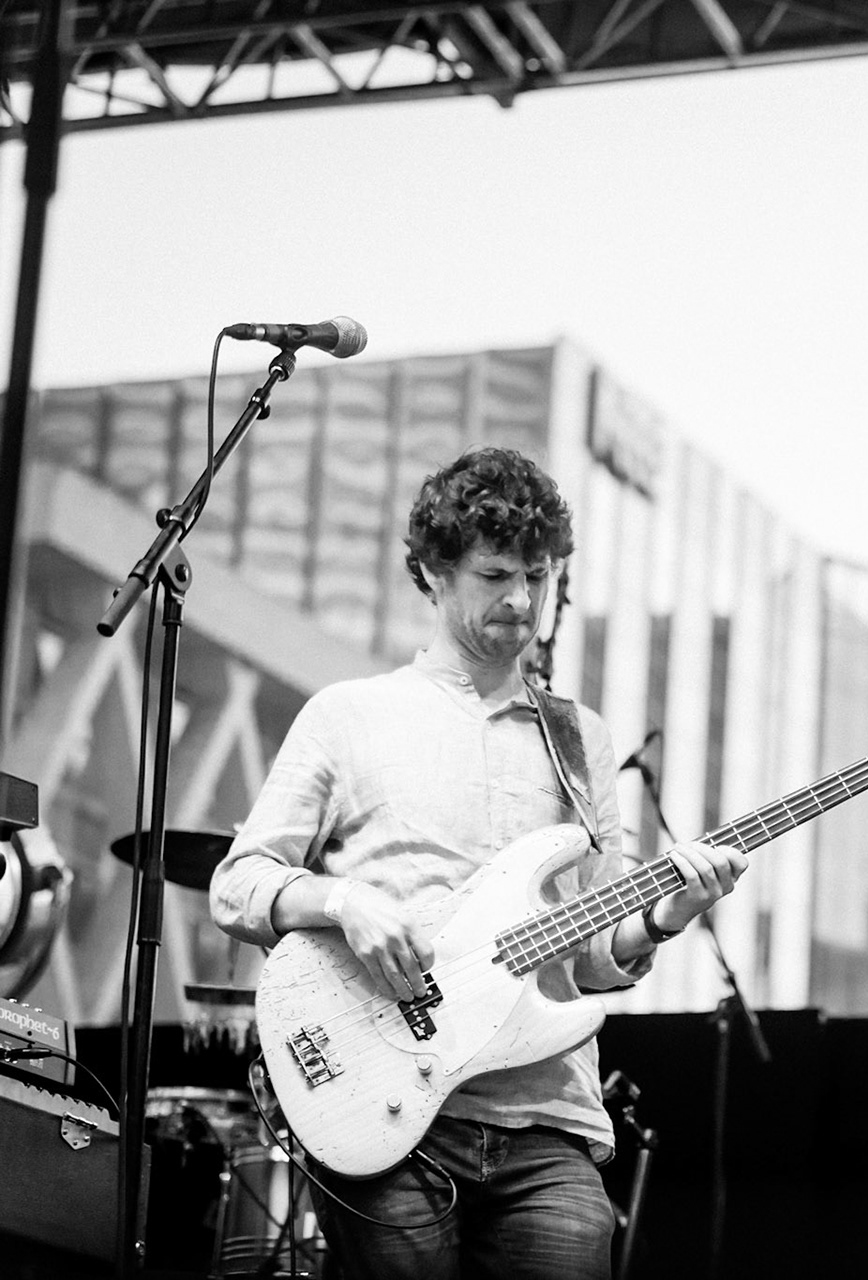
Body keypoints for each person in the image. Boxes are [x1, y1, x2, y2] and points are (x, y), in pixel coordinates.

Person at [209, 446, 746, 1279]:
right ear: (433, 572)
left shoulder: (581, 739)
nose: (522, 600)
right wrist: (344, 901)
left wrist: (665, 918)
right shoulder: (350, 715)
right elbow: (238, 885)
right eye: (497, 574)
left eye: (539, 575)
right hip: (386, 1109)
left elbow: (592, 956)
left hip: (548, 1116)